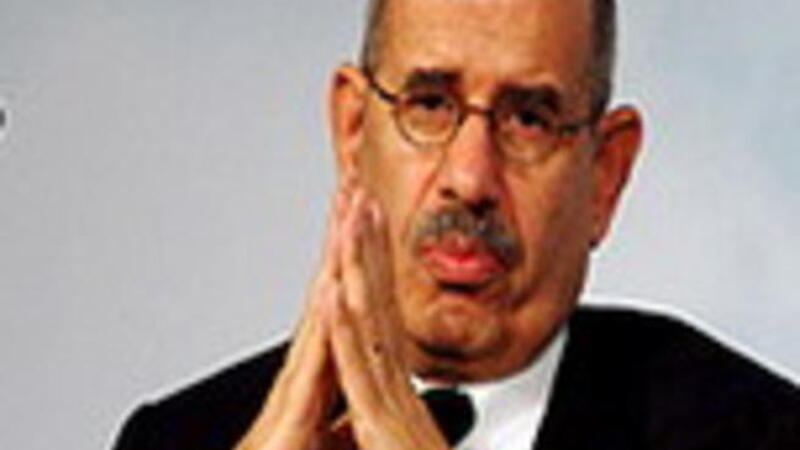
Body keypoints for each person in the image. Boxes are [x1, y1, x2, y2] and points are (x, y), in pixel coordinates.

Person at [113, 0, 800, 449]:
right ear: (354, 132)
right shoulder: (181, 439)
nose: (470, 179)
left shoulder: (758, 435)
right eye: (431, 105)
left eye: (528, 119)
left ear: (604, 174)